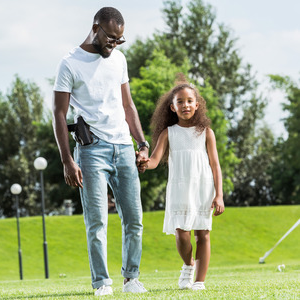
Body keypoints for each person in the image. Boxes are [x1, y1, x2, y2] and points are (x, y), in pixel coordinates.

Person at [52, 7, 149, 296]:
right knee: (97, 221)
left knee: (134, 218)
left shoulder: (118, 59)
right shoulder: (69, 63)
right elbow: (59, 113)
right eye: (110, 38)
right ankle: (102, 283)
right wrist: (67, 160)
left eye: (120, 40)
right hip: (92, 150)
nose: (114, 44)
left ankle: (131, 279)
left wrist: (141, 144)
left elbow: (128, 106)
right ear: (96, 28)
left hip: (123, 147)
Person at [138, 75, 225, 291]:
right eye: (180, 102)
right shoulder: (168, 133)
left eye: (189, 101)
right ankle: (188, 265)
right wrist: (142, 163)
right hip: (179, 187)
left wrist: (219, 194)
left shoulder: (206, 133)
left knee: (202, 233)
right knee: (181, 232)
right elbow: (155, 161)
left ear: (197, 104)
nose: (185, 105)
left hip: (203, 187)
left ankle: (199, 281)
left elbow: (215, 165)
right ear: (172, 107)